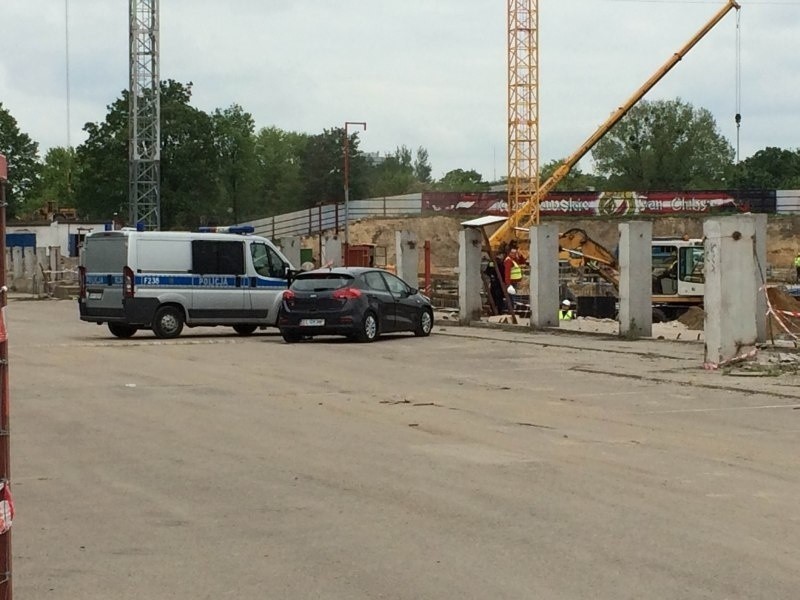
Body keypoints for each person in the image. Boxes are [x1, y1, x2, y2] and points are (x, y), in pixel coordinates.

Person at [503, 245, 524, 312]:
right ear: (509, 253)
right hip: (511, 282)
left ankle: (512, 310)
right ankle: (511, 311)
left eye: (515, 253)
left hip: (514, 282)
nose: (514, 254)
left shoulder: (513, 259)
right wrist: (508, 284)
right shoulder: (508, 261)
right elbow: (507, 273)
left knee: (512, 297)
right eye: (512, 253)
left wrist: (520, 255)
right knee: (511, 297)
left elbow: (522, 261)